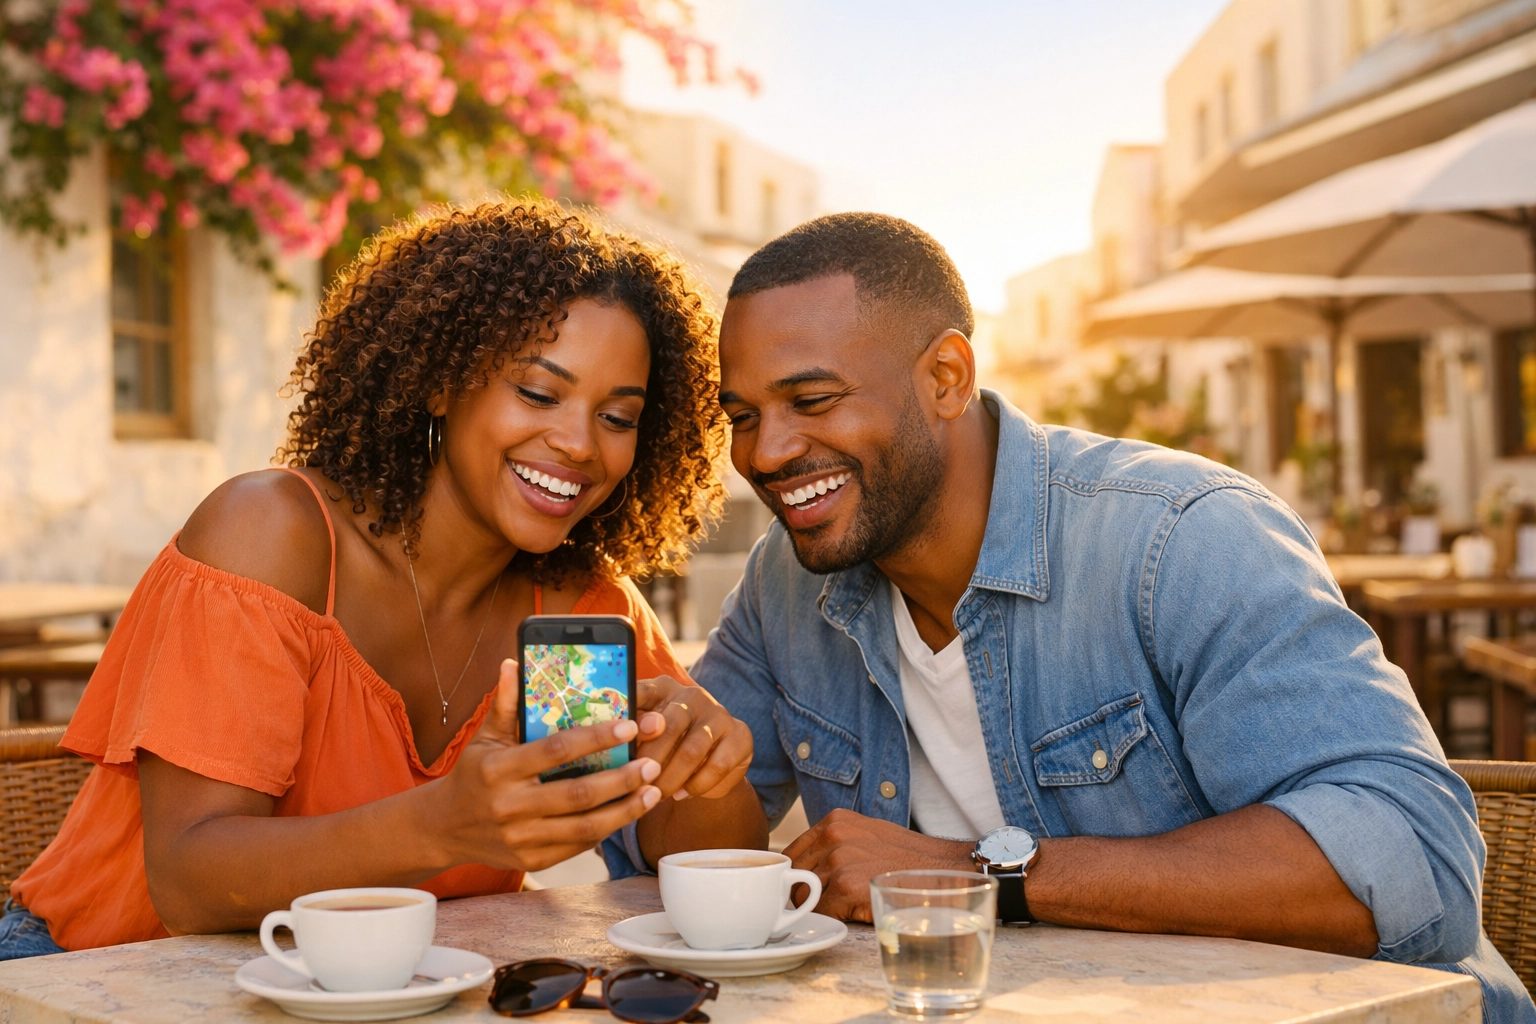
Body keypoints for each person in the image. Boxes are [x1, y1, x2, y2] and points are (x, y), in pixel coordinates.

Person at [607, 212, 1535, 1023]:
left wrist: (978, 876)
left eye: (812, 401)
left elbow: (1412, 858)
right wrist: (681, 763)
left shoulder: (1180, 539)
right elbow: (686, 862)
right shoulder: (788, 581)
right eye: (742, 415)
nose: (765, 454)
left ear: (946, 376)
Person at [0, 198, 760, 957]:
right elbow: (190, 884)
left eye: (618, 417)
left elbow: (691, 850)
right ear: (440, 381)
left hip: (381, 992)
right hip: (87, 973)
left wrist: (704, 765)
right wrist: (444, 823)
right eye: (537, 393)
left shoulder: (578, 604)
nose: (577, 443)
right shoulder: (276, 539)